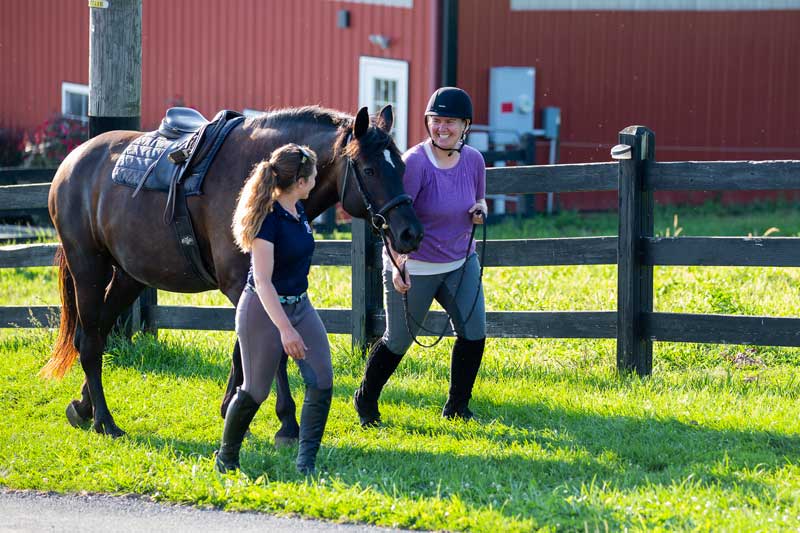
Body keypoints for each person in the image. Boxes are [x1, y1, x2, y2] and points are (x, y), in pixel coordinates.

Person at [353, 87, 487, 426]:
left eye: (450, 122)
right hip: (415, 264)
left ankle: (457, 407)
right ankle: (366, 399)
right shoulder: (414, 164)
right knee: (397, 340)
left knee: (474, 332)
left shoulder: (474, 160)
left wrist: (480, 209)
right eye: (436, 121)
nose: (443, 128)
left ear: (465, 125)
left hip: (460, 261)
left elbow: (479, 197)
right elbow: (392, 220)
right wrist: (398, 265)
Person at [216, 143, 332, 475]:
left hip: (300, 304)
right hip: (263, 310)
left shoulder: (299, 210)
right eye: (312, 176)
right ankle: (226, 458)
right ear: (299, 181)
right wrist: (286, 330)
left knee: (322, 380)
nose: (316, 180)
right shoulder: (269, 220)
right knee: (255, 390)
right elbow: (264, 282)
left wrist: (296, 320)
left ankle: (305, 464)